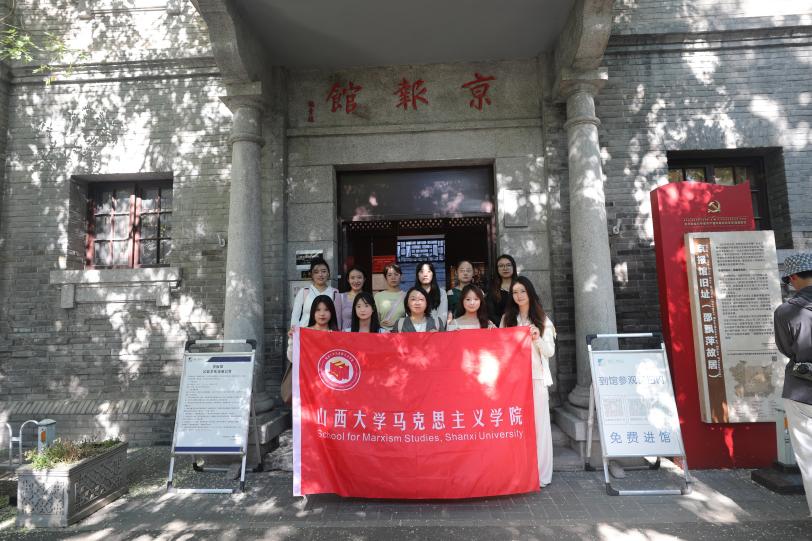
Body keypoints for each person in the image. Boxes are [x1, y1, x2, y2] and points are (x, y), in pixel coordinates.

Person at [501, 276, 555, 487]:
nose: (519, 296)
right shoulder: (507, 319)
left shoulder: (543, 320)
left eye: (522, 291)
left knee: (539, 428)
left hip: (536, 378)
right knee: (516, 427)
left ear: (530, 292)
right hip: (513, 381)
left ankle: (541, 475)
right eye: (515, 292)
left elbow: (549, 352)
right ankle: (520, 472)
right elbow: (500, 348)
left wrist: (537, 338)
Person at [774, 252, 812, 516]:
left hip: (802, 390)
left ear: (794, 277)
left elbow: (786, 348)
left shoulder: (786, 311)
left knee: (809, 458)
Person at [290, 257, 341, 330]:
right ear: (311, 274)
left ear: (328, 273)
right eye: (316, 272)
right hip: (305, 333)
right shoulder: (304, 292)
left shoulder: (335, 293)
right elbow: (295, 316)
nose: (320, 275)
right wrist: (294, 333)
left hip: (326, 334)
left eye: (323, 271)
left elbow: (337, 317)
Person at [487, 254, 518, 325]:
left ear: (513, 267)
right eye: (501, 266)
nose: (505, 268)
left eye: (508, 265)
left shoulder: (522, 285)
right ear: (497, 269)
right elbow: (490, 314)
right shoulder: (492, 288)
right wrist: (504, 325)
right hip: (500, 327)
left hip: (521, 325)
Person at [374, 263, 406, 331]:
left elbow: (412, 319)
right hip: (383, 333)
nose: (393, 277)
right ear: (385, 278)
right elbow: (374, 319)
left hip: (400, 333)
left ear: (401, 277)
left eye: (396, 274)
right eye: (389, 275)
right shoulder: (378, 296)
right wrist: (380, 324)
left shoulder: (407, 296)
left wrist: (396, 323)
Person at [338, 266, 366, 331]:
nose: (356, 281)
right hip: (345, 335)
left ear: (364, 279)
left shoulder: (369, 298)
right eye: (352, 278)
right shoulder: (341, 297)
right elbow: (337, 321)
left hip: (363, 335)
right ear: (348, 280)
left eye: (359, 277)